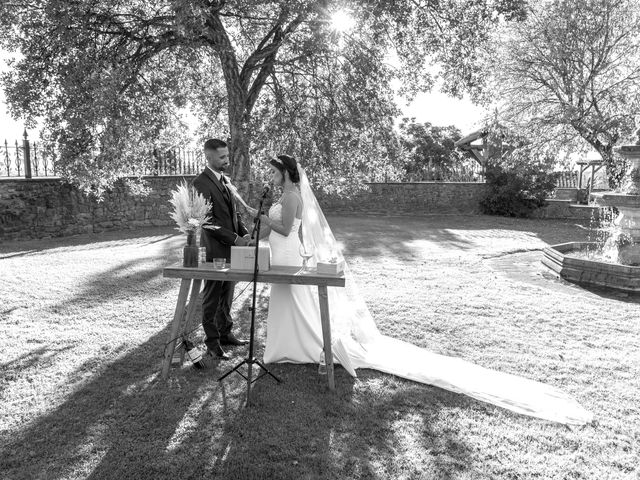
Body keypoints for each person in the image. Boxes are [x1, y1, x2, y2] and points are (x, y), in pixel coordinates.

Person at [243, 154, 593, 426]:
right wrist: (252, 231)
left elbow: (286, 229)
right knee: (286, 300)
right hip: (279, 256)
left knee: (296, 300)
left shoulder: (290, 196)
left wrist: (258, 217)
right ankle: (288, 345)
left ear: (286, 173)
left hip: (288, 252)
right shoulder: (281, 194)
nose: (270, 176)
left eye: (274, 171)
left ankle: (306, 346)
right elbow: (271, 230)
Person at [193, 138, 253, 361]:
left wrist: (244, 233)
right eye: (222, 157)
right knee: (212, 296)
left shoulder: (226, 180)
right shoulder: (200, 183)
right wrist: (234, 238)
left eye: (227, 156)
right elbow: (206, 221)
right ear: (208, 158)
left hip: (232, 251)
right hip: (214, 250)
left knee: (227, 294)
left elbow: (234, 213)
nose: (227, 160)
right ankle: (212, 342)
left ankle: (225, 333)